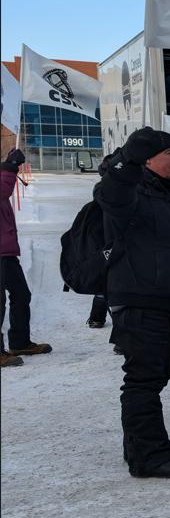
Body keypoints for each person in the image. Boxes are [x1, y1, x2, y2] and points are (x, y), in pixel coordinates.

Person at [97, 128, 170, 478]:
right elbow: (111, 190)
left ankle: (142, 441)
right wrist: (125, 161)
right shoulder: (131, 191)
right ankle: (148, 455)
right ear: (147, 160)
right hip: (140, 302)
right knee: (143, 379)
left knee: (159, 375)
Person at [1, 148, 52, 367]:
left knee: (21, 294)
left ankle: (20, 342)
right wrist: (10, 166)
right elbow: (2, 191)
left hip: (6, 250)